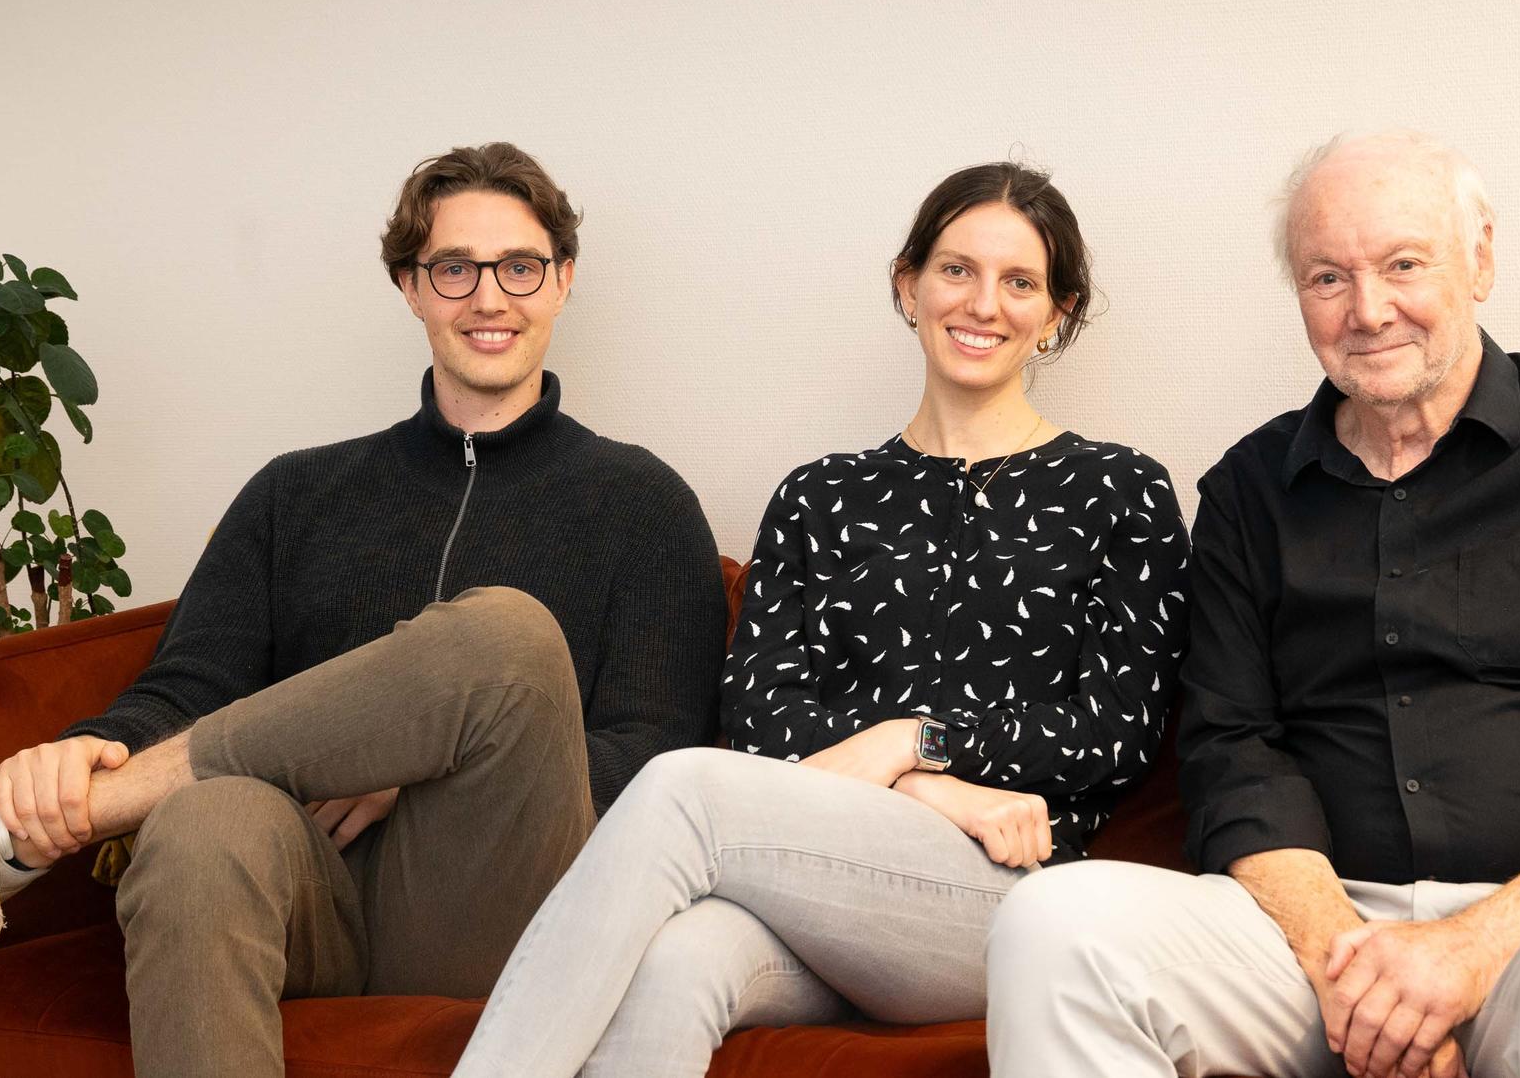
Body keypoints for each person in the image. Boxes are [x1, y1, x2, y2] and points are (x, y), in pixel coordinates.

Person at [0, 142, 730, 1078]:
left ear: (563, 279)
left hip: (504, 902)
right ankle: (76, 810)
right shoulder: (298, 493)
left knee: (507, 634)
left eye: (520, 266)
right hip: (306, 886)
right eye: (454, 268)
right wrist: (88, 745)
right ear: (408, 286)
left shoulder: (641, 504)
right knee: (193, 829)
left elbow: (659, 755)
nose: (490, 297)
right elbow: (192, 681)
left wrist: (426, 758)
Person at [987, 130, 1520, 1078]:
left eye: (1403, 264)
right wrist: (1353, 975)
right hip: (1313, 937)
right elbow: (1230, 747)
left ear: (1479, 257)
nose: (1369, 310)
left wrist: (1467, 952)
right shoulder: (1248, 492)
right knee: (1056, 921)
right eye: (1327, 278)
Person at [450, 161, 1191, 1077]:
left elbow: (1109, 734)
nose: (984, 303)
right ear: (907, 284)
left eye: (1020, 282)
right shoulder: (822, 495)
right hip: (824, 894)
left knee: (685, 790)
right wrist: (926, 777)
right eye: (956, 269)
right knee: (682, 959)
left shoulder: (1120, 490)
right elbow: (759, 719)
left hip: (1008, 901)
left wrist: (915, 739)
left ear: (1058, 315)